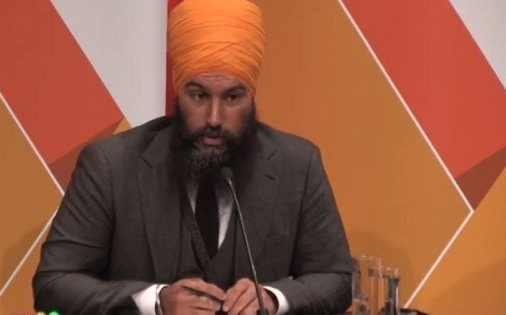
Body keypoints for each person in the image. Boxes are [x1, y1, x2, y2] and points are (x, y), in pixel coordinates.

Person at [33, 0, 352, 314]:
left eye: (232, 97)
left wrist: (272, 297)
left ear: (251, 96)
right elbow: (54, 283)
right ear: (178, 91)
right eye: (199, 95)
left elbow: (337, 280)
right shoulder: (110, 164)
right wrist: (154, 301)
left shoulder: (298, 164)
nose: (214, 117)